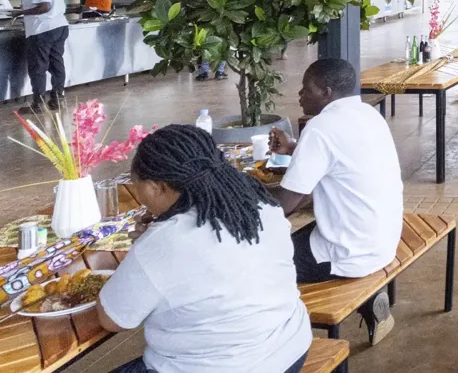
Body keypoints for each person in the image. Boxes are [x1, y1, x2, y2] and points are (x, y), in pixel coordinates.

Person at [97, 125, 312, 373]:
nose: (140, 197)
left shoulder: (163, 243)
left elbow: (112, 319)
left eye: (138, 186)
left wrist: (147, 248)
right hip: (290, 350)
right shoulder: (261, 205)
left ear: (157, 187)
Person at [269, 59, 405, 345]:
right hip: (383, 238)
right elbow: (339, 159)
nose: (300, 95)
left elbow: (283, 205)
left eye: (306, 89)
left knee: (260, 261)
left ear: (326, 93)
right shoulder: (368, 114)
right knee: (293, 238)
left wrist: (233, 189)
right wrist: (294, 147)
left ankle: (279, 340)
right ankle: (370, 300)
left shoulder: (320, 127)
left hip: (351, 252)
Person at [18, 0, 68, 111]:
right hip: (60, 26)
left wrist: (21, 13)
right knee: (56, 63)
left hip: (42, 30)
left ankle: (38, 104)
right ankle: (57, 98)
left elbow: (44, 7)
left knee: (38, 67)